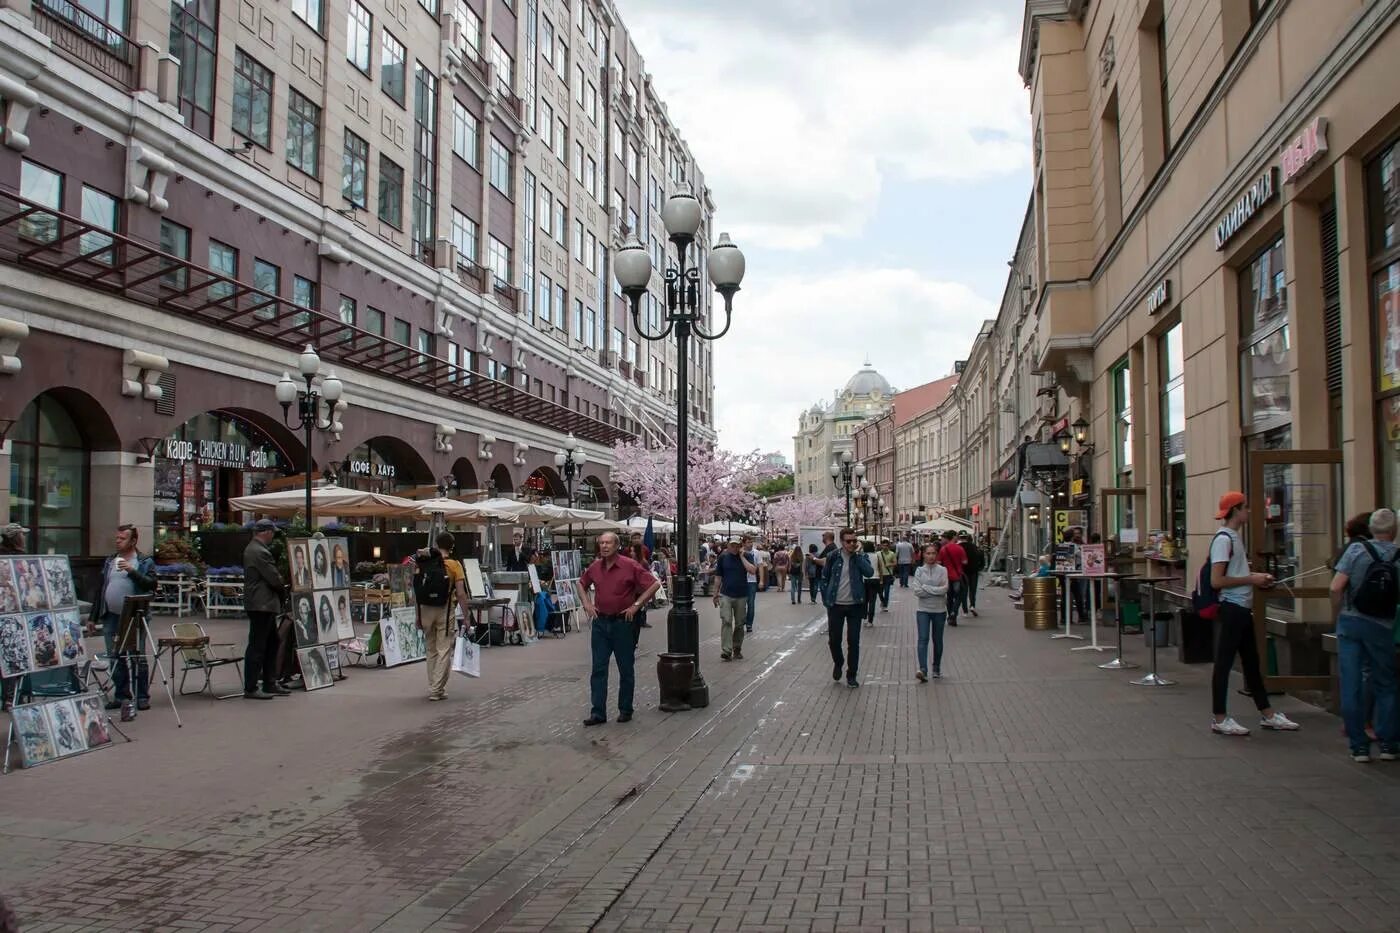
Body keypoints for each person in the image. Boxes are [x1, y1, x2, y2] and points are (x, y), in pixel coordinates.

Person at [1208, 491, 1300, 737]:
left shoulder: (1234, 538)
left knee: (1251, 663)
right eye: (1246, 507)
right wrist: (1252, 578)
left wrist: (1256, 580)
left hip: (1241, 607)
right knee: (1224, 663)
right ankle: (1219, 718)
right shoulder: (1224, 539)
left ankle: (1268, 714)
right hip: (1232, 608)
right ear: (1235, 510)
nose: (1249, 511)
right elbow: (1216, 581)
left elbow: (1232, 575)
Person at [1330, 508, 1399, 762]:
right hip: (1381, 626)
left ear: (1371, 529)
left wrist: (1338, 612)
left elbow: (1336, 586)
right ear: (1394, 531)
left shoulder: (1356, 551)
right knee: (1386, 682)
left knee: (1351, 683)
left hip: (1350, 623)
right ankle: (1389, 744)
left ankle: (1358, 746)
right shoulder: (1397, 555)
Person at [579, 532, 659, 726]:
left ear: (616, 545)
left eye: (608, 543)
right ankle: (598, 712)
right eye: (602, 543)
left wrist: (636, 605)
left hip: (622, 623)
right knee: (598, 668)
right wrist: (587, 604)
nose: (604, 546)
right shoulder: (595, 566)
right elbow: (581, 584)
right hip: (600, 623)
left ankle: (625, 709)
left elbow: (654, 584)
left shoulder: (629, 565)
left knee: (625, 668)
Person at [91, 523, 158, 711]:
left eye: (122, 539)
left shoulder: (144, 562)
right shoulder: (110, 560)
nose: (118, 542)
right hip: (111, 615)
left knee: (137, 656)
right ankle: (121, 695)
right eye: (117, 538)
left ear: (133, 541)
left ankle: (142, 696)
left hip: (135, 616)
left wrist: (131, 570)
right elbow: (100, 589)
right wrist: (92, 617)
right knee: (115, 656)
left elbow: (151, 584)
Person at [413, 532, 470, 701]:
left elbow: (416, 591)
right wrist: (466, 616)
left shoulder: (424, 563)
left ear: (436, 544)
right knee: (444, 649)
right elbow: (460, 593)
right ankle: (436, 689)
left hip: (424, 609)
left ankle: (434, 686)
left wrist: (417, 615)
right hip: (445, 609)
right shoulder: (454, 565)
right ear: (452, 546)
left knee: (430, 649)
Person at [241, 519, 289, 700]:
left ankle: (270, 682)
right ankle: (252, 686)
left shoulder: (255, 549)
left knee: (272, 642)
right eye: (272, 532)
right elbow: (273, 577)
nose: (273, 536)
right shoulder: (259, 551)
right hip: (261, 603)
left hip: (263, 603)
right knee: (258, 644)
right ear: (266, 532)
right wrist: (282, 589)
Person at [821, 528, 873, 688]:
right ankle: (839, 662)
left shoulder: (861, 556)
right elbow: (825, 576)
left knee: (853, 641)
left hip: (855, 604)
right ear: (842, 542)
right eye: (848, 541)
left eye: (854, 541)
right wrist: (826, 597)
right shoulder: (833, 556)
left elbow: (869, 573)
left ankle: (852, 674)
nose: (851, 544)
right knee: (834, 640)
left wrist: (857, 556)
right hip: (836, 604)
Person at [711, 538, 754, 661]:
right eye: (732, 546)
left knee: (740, 623)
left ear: (740, 546)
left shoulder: (747, 556)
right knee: (726, 621)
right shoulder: (723, 557)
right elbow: (718, 577)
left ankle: (737, 648)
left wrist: (741, 557)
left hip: (741, 594)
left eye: (737, 546)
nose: (735, 548)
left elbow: (752, 570)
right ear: (728, 546)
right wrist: (715, 594)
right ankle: (726, 650)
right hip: (726, 595)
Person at [911, 543, 949, 681]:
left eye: (933, 553)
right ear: (923, 555)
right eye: (928, 553)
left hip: (939, 610)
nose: (931, 556)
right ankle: (923, 669)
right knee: (923, 639)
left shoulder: (943, 570)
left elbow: (944, 589)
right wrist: (934, 590)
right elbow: (917, 591)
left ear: (937, 554)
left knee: (937, 640)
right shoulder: (919, 571)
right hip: (923, 610)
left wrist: (926, 587)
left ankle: (936, 667)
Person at [939, 530, 967, 627]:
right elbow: (965, 562)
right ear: (953, 537)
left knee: (949, 597)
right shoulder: (960, 548)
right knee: (959, 596)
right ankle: (954, 613)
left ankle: (950, 613)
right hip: (957, 576)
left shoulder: (943, 549)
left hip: (946, 576)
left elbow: (939, 562)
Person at [960, 533, 983, 618]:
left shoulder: (959, 547)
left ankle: (965, 610)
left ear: (960, 537)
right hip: (974, 572)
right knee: (972, 590)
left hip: (963, 572)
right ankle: (972, 605)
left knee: (964, 591)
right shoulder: (975, 547)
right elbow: (981, 557)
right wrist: (979, 567)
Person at [860, 541, 881, 627]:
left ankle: (864, 618)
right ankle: (870, 620)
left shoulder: (863, 556)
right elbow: (880, 567)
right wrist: (881, 578)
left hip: (865, 579)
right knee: (872, 600)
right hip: (875, 578)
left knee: (865, 600)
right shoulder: (877, 555)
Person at [741, 535, 759, 633]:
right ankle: (742, 620)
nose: (750, 544)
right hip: (742, 581)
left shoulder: (756, 553)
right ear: (743, 543)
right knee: (741, 603)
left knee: (751, 604)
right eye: (748, 542)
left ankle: (749, 624)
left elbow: (759, 566)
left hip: (752, 581)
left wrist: (762, 581)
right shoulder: (739, 553)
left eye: (751, 542)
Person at [877, 539, 897, 611]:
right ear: (881, 546)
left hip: (888, 574)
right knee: (879, 591)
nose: (885, 547)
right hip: (880, 575)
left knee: (887, 591)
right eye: (883, 545)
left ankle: (885, 605)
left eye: (886, 545)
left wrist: (890, 564)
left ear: (888, 546)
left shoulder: (892, 553)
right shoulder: (878, 554)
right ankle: (883, 601)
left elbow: (895, 563)